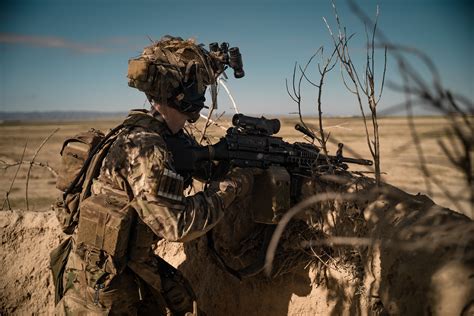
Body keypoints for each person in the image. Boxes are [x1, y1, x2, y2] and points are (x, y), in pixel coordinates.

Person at [54, 36, 255, 315]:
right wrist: (231, 186)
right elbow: (178, 226)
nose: (203, 94)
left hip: (117, 270)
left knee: (184, 301)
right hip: (104, 293)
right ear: (183, 93)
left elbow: (193, 161)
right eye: (200, 86)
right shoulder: (147, 148)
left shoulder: (151, 130)